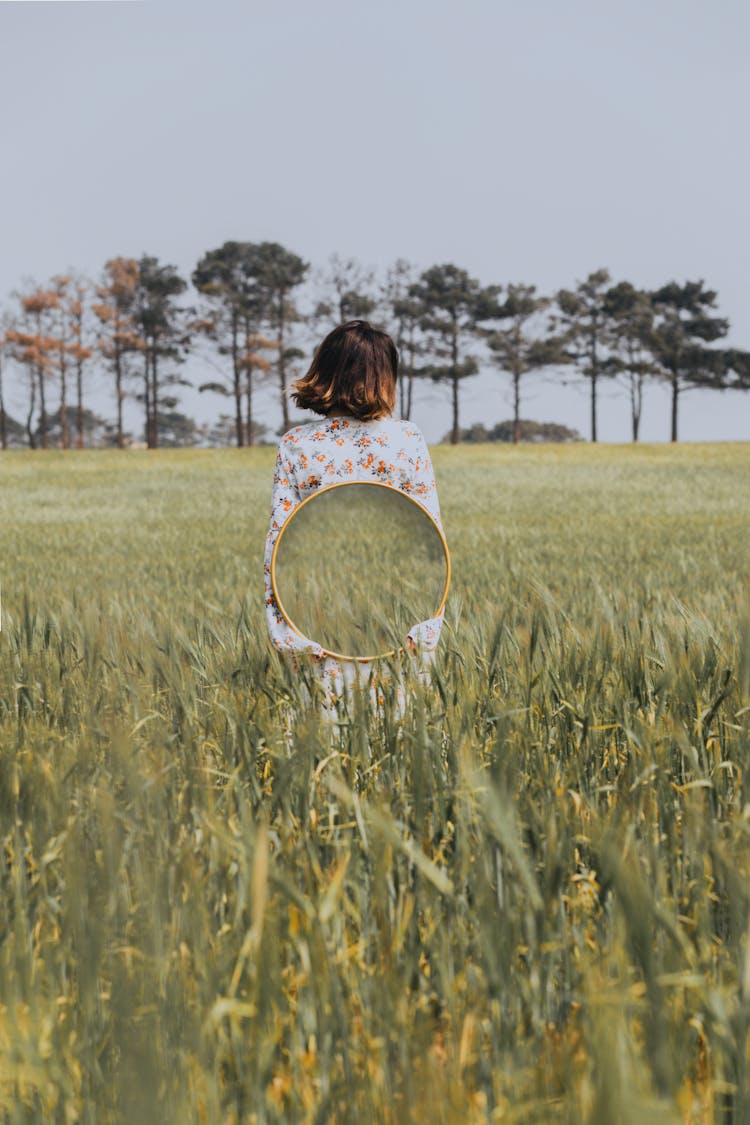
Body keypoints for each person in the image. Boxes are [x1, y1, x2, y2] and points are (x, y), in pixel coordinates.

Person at [263, 320, 445, 707]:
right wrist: (425, 628)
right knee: (402, 742)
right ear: (385, 377)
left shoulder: (297, 444)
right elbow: (432, 541)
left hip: (316, 616)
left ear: (325, 371)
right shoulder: (407, 439)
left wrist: (290, 636)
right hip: (397, 616)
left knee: (324, 746)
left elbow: (278, 546)